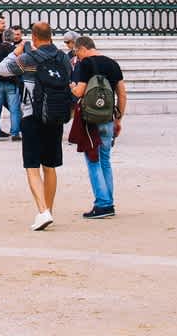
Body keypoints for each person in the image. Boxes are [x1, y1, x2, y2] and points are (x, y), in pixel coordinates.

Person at [14, 22, 74, 231]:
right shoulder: (63, 58)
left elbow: (3, 69)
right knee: (50, 166)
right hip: (55, 113)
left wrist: (17, 51)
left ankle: (42, 211)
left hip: (32, 115)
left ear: (34, 37)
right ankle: (49, 209)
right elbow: (69, 79)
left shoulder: (29, 58)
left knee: (32, 166)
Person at [70, 34, 124, 219]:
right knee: (105, 161)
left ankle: (103, 204)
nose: (77, 57)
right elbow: (122, 95)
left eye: (77, 53)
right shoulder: (112, 64)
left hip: (91, 120)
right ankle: (109, 201)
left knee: (93, 161)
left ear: (82, 48)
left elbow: (80, 91)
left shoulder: (85, 64)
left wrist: (71, 86)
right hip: (108, 117)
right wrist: (118, 119)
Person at [0, 25, 24, 141]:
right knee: (15, 109)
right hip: (12, 82)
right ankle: (15, 133)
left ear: (2, 37)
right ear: (12, 39)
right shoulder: (15, 51)